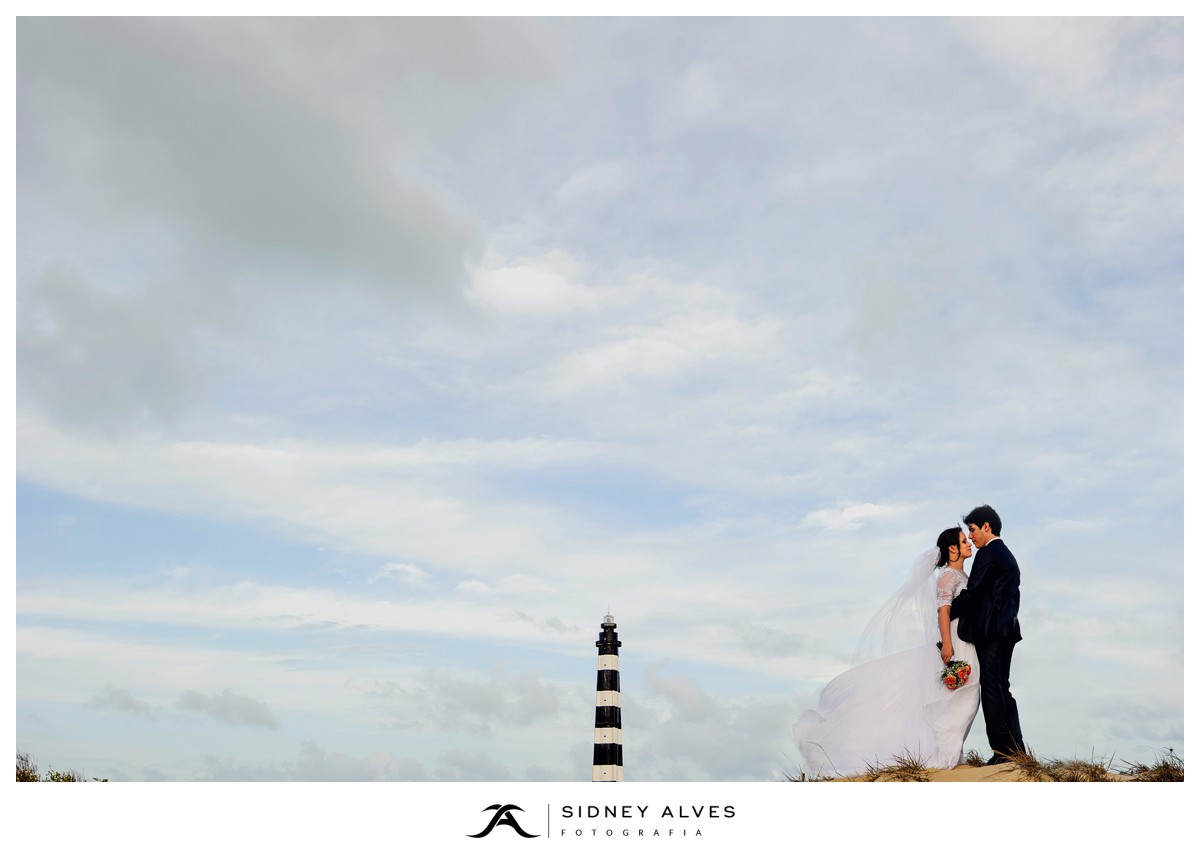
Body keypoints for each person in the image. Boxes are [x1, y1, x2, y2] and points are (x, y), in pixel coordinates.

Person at [793, 528, 981, 778]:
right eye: (963, 540)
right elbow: (943, 612)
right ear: (953, 549)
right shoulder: (947, 577)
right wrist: (947, 644)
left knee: (965, 691)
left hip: (964, 638)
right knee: (960, 692)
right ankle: (945, 752)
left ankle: (950, 750)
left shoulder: (960, 573)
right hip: (954, 639)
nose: (969, 543)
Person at [948, 504, 1026, 764]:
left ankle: (1002, 752)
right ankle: (1016, 750)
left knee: (992, 687)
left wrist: (946, 611)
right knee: (1003, 688)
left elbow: (972, 593)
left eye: (972, 530)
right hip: (1007, 630)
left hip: (991, 632)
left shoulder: (989, 554)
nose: (970, 536)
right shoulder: (1006, 554)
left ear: (986, 527)